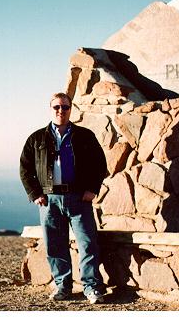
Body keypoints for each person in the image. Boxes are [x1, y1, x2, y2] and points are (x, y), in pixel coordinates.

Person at [19, 92, 107, 304]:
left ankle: (91, 287)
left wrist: (92, 189)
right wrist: (35, 194)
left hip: (79, 198)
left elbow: (100, 164)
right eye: (57, 107)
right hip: (49, 200)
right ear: (51, 110)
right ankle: (62, 286)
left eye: (65, 107)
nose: (61, 111)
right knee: (55, 245)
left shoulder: (85, 135)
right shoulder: (36, 138)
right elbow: (25, 168)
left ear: (71, 109)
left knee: (87, 243)